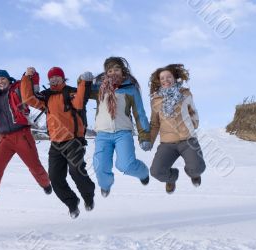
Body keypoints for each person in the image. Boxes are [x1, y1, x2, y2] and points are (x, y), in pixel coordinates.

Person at [20, 66, 95, 219]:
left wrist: (84, 83)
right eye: (51, 78)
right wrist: (26, 78)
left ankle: (88, 196)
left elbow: (79, 103)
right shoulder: (46, 96)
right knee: (54, 178)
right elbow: (28, 98)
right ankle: (72, 203)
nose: (54, 79)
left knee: (76, 171)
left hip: (73, 141)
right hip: (55, 143)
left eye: (56, 77)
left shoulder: (69, 91)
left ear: (62, 77)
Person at [0, 70, 51, 217]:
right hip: (4, 139)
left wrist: (29, 74)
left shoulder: (18, 89)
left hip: (22, 134)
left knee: (34, 166)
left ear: (8, 79)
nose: (0, 82)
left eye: (2, 79)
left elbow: (31, 88)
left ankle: (45, 183)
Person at [89, 57, 151, 198]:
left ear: (123, 71)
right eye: (109, 70)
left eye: (116, 69)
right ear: (106, 73)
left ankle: (143, 172)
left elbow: (139, 113)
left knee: (126, 165)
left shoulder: (131, 90)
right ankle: (105, 185)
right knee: (100, 167)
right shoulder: (99, 88)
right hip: (102, 135)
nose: (113, 72)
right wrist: (82, 80)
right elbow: (81, 92)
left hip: (123, 133)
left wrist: (145, 135)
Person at [149, 64, 206, 194]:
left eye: (168, 77)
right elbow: (154, 124)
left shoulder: (185, 94)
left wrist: (194, 123)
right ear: (159, 81)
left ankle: (194, 173)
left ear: (175, 78)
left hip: (187, 140)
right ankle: (172, 177)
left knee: (197, 168)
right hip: (167, 144)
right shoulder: (155, 100)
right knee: (156, 172)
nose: (165, 80)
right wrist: (149, 141)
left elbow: (193, 111)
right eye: (162, 78)